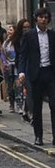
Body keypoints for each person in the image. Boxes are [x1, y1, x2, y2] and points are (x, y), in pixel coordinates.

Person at [17, 8, 55, 146]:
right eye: (41, 17)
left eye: (46, 17)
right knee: (37, 107)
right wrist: (21, 72)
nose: (43, 19)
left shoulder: (52, 35)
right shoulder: (29, 35)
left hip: (50, 73)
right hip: (36, 74)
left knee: (53, 105)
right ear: (36, 19)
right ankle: (38, 136)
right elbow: (23, 55)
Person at [2, 24, 22, 113]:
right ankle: (11, 104)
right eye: (8, 30)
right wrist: (5, 64)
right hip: (8, 67)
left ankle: (19, 105)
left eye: (11, 30)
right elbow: (3, 54)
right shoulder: (6, 43)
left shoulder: (18, 41)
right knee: (10, 87)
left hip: (17, 66)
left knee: (18, 86)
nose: (9, 32)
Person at [15, 18, 32, 123]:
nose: (26, 29)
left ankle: (26, 111)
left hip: (32, 68)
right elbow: (19, 56)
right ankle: (30, 113)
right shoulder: (17, 40)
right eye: (24, 27)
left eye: (28, 27)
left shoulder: (33, 37)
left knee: (30, 92)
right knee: (28, 90)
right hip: (22, 67)